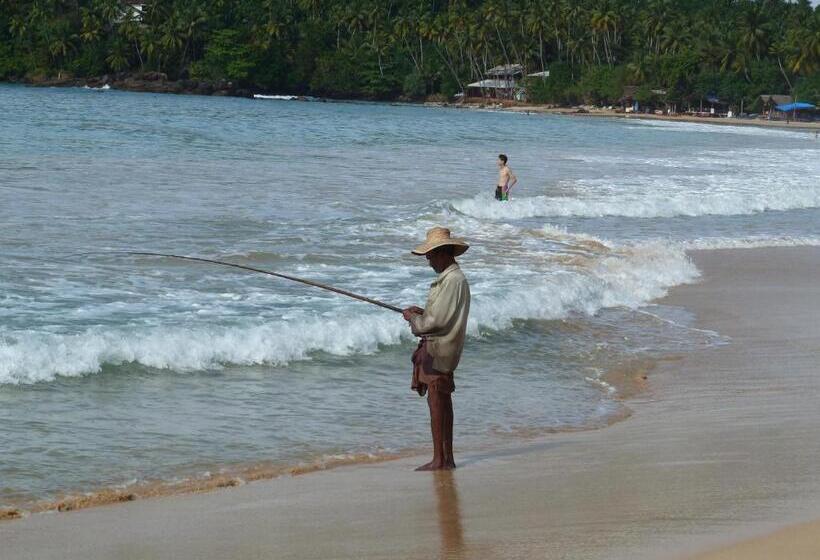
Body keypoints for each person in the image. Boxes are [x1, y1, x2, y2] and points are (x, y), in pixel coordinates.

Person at [402, 227, 471, 471]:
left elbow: (435, 322)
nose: (429, 261)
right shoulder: (453, 279)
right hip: (444, 349)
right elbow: (441, 314)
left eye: (431, 256)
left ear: (443, 253)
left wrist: (413, 318)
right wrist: (422, 312)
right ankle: (446, 458)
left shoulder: (452, 281)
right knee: (442, 401)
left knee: (436, 403)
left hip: (439, 350)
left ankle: (439, 460)